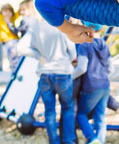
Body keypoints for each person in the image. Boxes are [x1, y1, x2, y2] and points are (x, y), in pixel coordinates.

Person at [17, 13, 78, 144]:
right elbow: (71, 48)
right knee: (67, 107)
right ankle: (68, 140)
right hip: (62, 72)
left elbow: (20, 48)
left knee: (49, 111)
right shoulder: (61, 25)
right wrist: (73, 59)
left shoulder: (36, 27)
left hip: (45, 74)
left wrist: (38, 56)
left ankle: (53, 141)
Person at [74, 33, 111, 144]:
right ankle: (100, 141)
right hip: (105, 84)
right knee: (100, 116)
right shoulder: (104, 44)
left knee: (81, 114)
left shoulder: (85, 44)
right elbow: (111, 68)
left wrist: (70, 77)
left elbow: (82, 67)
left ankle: (92, 138)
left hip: (91, 85)